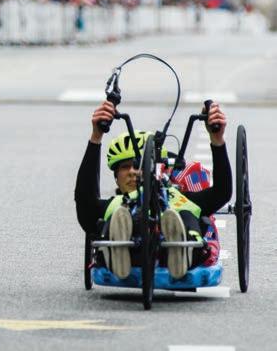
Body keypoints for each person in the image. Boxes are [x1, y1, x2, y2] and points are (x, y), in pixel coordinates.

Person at [75, 100, 232, 280]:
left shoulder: (180, 198)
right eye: (125, 167)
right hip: (130, 254)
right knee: (116, 217)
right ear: (116, 177)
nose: (133, 172)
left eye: (139, 166)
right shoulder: (115, 204)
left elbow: (222, 192)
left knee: (185, 215)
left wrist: (217, 140)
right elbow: (84, 202)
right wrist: (96, 137)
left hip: (176, 255)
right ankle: (117, 245)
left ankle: (182, 246)